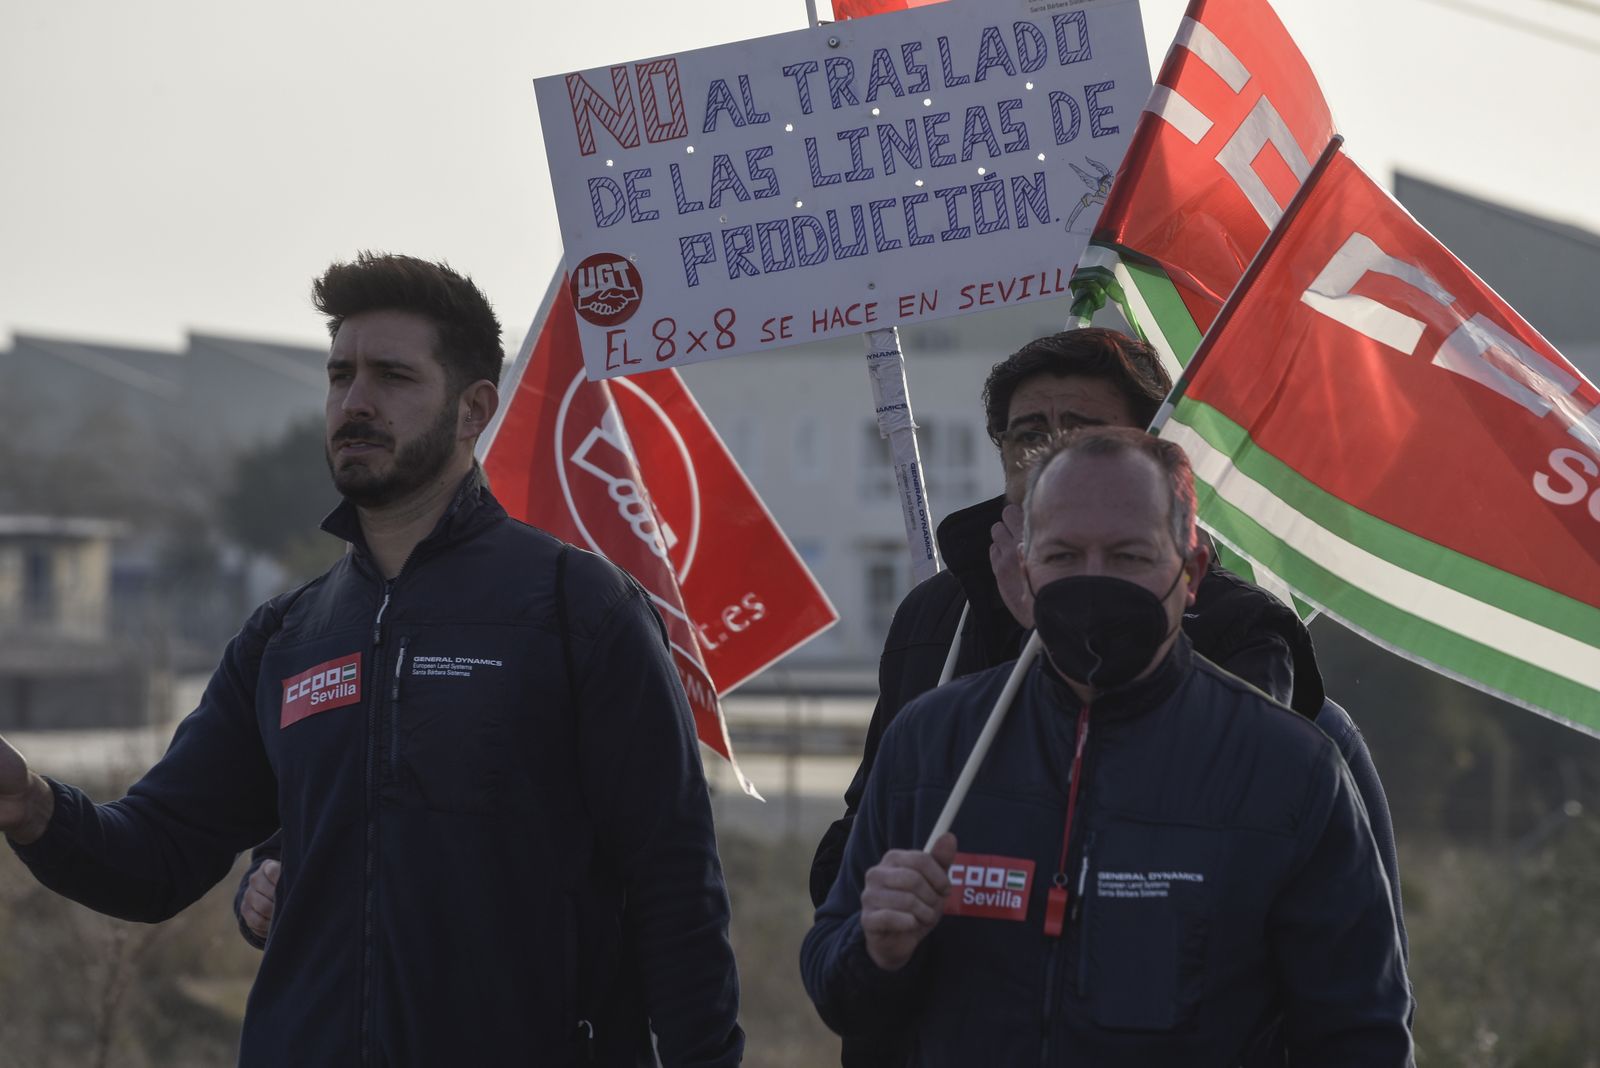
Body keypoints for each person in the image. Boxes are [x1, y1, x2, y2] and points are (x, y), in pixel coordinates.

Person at [0, 252, 744, 1067]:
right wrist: (32, 805)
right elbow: (155, 856)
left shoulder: (579, 609)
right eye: (339, 374)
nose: (355, 402)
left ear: (474, 409)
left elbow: (678, 894)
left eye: (392, 376)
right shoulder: (286, 636)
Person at [800, 427, 1414, 1065]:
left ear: (1192, 570)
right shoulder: (933, 742)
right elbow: (835, 988)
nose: (1092, 583)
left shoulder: (1290, 769)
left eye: (1127, 557)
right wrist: (877, 951)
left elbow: (1361, 1037)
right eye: (1063, 556)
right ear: (1024, 567)